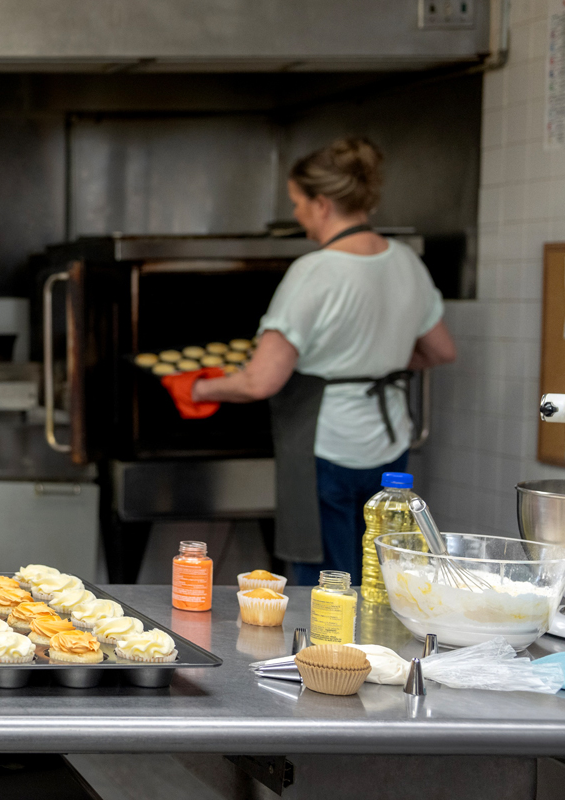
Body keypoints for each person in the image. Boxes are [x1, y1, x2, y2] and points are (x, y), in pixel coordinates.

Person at [191, 137, 456, 585]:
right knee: (379, 575)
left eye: (297, 203)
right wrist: (377, 358)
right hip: (390, 442)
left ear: (322, 203)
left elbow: (261, 381)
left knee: (326, 580)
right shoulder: (407, 261)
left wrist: (198, 388)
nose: (296, 214)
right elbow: (440, 350)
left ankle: (326, 657)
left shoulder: (315, 271)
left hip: (326, 443)